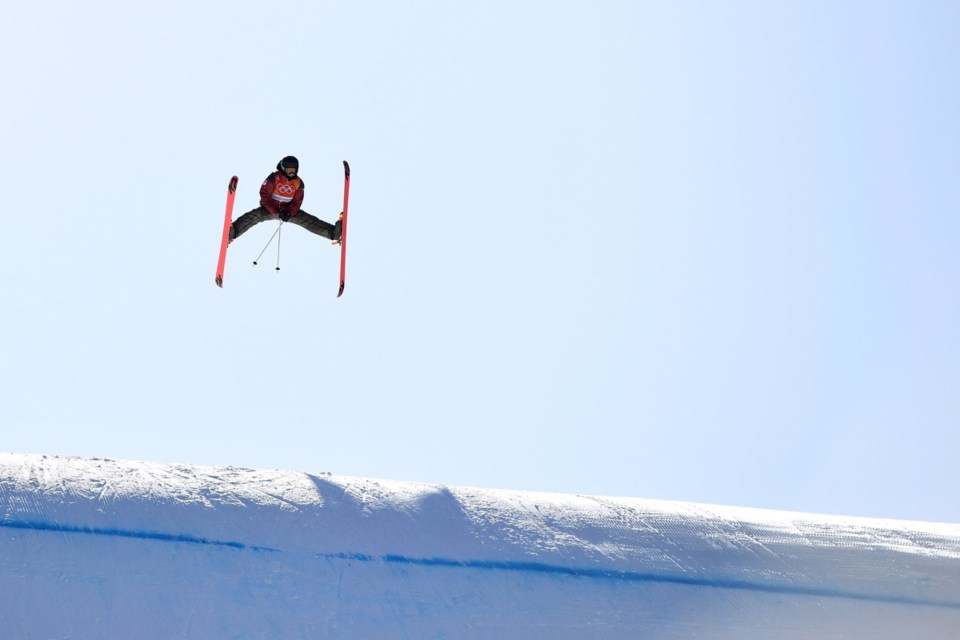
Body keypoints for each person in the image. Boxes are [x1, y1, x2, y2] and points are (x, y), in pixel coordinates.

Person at [229, 156, 342, 243]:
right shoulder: (274, 178)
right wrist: (277, 211)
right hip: (270, 209)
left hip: (287, 211)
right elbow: (264, 196)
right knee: (254, 216)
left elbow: (297, 202)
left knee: (308, 221)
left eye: (294, 170)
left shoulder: (298, 183)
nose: (292, 172)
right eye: (289, 170)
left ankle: (334, 233)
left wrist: (289, 212)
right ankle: (233, 232)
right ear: (284, 168)